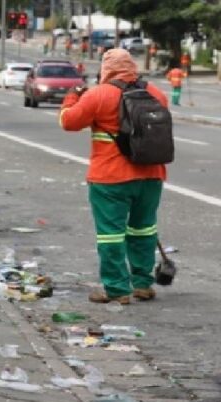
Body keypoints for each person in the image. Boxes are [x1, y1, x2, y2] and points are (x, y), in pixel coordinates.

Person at [59, 49, 168, 304]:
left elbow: (69, 122)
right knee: (144, 229)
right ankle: (142, 283)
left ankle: (117, 288)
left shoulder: (99, 94)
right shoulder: (156, 93)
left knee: (111, 233)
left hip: (110, 177)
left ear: (106, 69)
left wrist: (71, 98)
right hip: (152, 174)